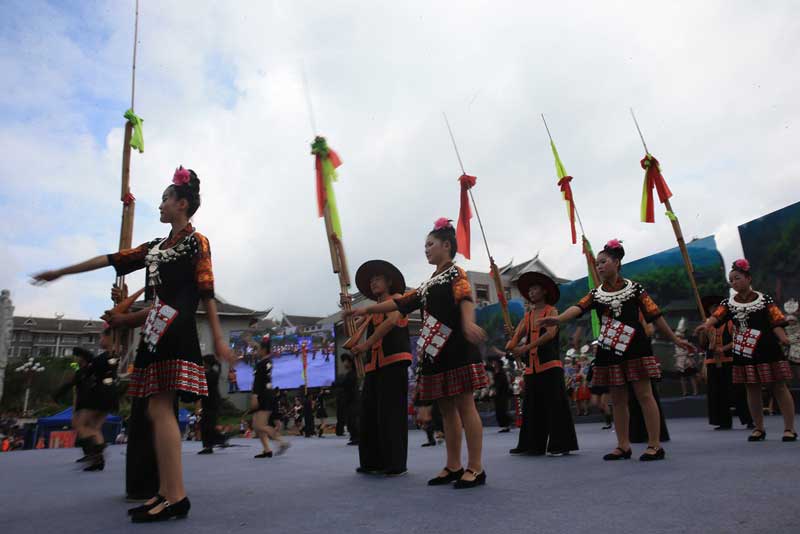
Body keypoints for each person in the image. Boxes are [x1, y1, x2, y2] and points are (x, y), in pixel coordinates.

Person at [33, 165, 234, 521]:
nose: (160, 205)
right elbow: (113, 259)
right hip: (156, 329)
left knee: (162, 409)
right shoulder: (154, 248)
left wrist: (218, 336)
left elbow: (206, 291)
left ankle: (176, 495)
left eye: (165, 199)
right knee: (157, 411)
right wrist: (63, 271)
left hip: (176, 328)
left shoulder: (196, 241)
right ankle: (166, 492)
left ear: (181, 203)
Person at [347, 218, 489, 488]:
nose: (426, 249)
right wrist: (365, 309)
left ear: (446, 245)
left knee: (465, 405)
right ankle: (453, 465)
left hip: (457, 346)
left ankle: (476, 467)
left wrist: (468, 322)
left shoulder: (455, 273)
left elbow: (465, 298)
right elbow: (400, 303)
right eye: (425, 245)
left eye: (430, 244)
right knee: (446, 409)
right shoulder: (425, 285)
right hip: (436, 352)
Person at [540, 239, 692, 461]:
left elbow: (655, 316)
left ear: (617, 262)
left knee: (644, 395)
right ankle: (623, 445)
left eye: (603, 262)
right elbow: (578, 307)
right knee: (618, 398)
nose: (599, 266)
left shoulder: (635, 289)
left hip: (636, 348)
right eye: (597, 263)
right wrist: (558, 319)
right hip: (609, 349)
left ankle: (654, 445)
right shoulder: (596, 293)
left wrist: (676, 341)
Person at [695, 259, 796, 442]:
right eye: (731, 280)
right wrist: (705, 325)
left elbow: (776, 322)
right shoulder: (728, 303)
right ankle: (758, 428)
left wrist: (784, 339)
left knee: (779, 386)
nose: (734, 282)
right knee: (751, 388)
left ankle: (789, 429)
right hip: (743, 350)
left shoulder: (765, 299)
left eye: (737, 278)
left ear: (748, 278)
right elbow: (716, 317)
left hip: (767, 348)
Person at [350, 260, 413, 476]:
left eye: (377, 278)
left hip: (394, 362)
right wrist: (347, 308)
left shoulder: (398, 301)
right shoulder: (371, 311)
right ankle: (372, 461)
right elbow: (353, 328)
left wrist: (366, 344)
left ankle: (395, 463)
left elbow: (390, 323)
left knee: (391, 413)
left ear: (388, 281)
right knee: (369, 412)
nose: (373, 282)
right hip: (373, 365)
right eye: (371, 280)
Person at [506, 271, 578, 456]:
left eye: (535, 288)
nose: (531, 292)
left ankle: (560, 445)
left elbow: (550, 334)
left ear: (544, 291)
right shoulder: (528, 316)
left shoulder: (551, 311)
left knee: (555, 406)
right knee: (531, 407)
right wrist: (512, 344)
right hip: (532, 368)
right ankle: (531, 445)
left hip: (550, 365)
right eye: (529, 290)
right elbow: (515, 339)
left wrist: (525, 347)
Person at [250, 335, 290, 458]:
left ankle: (282, 442)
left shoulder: (261, 364)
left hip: (263, 395)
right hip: (268, 393)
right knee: (256, 426)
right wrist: (253, 343)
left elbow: (258, 382)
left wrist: (254, 396)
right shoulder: (268, 361)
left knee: (261, 425)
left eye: (258, 350)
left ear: (263, 350)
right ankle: (267, 450)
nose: (256, 352)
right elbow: (263, 350)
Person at [198, 354, 226, 454]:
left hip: (212, 403)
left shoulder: (210, 375)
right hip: (210, 402)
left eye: (203, 362)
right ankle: (211, 444)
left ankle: (215, 442)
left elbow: (202, 386)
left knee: (207, 425)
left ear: (207, 363)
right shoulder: (212, 373)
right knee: (207, 425)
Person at [333, 355, 360, 445]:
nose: (344, 363)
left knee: (353, 419)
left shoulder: (352, 374)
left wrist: (336, 383)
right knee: (349, 419)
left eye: (345, 361)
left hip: (353, 400)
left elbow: (345, 383)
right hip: (349, 400)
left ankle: (357, 437)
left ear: (350, 363)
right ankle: (354, 437)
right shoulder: (349, 373)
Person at [491, 359, 512, 433]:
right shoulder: (495, 372)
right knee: (499, 410)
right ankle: (504, 426)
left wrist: (496, 389)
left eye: (495, 362)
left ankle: (507, 425)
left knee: (502, 410)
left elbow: (503, 384)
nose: (493, 363)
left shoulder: (502, 373)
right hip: (498, 395)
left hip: (503, 394)